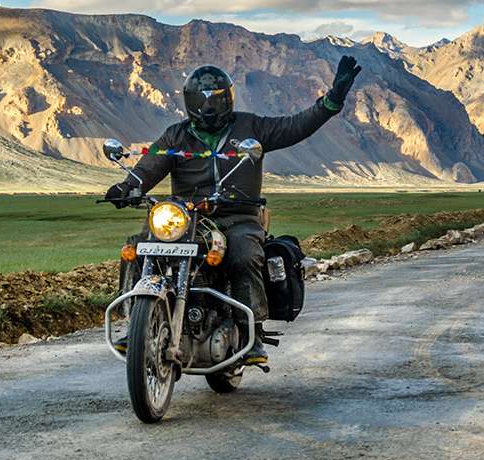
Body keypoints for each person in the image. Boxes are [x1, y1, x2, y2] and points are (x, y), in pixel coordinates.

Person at [106, 56, 362, 365]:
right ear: (190, 102)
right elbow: (149, 166)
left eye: (216, 99)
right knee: (138, 245)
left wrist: (333, 100)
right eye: (202, 100)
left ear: (228, 97)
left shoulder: (250, 126)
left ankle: (250, 331)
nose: (209, 107)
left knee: (243, 253)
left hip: (237, 216)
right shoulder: (176, 135)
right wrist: (128, 187)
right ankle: (135, 324)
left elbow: (296, 126)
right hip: (186, 219)